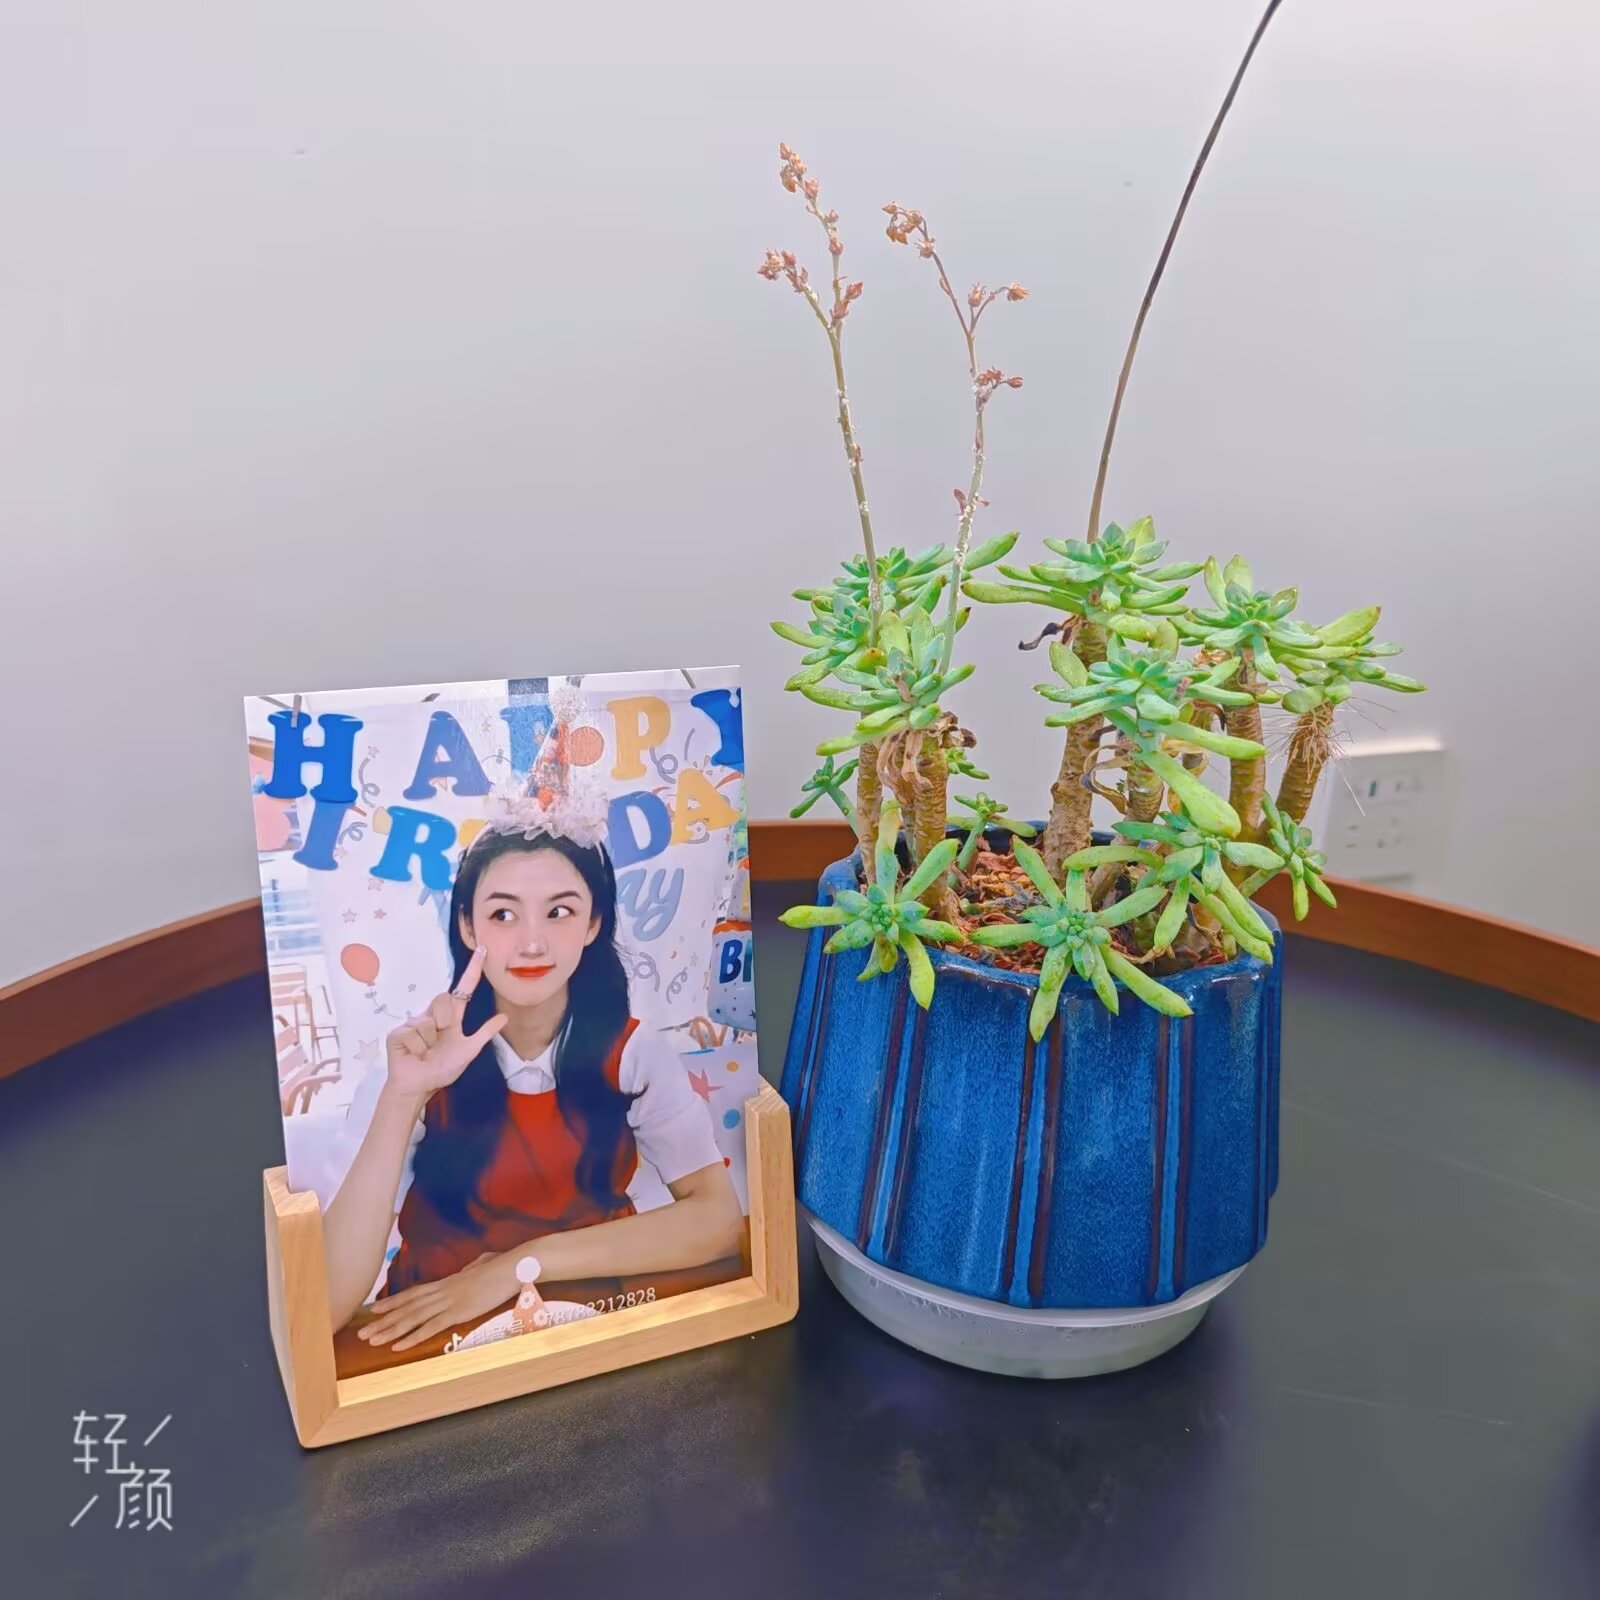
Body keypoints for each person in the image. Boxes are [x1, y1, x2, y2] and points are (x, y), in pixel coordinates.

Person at [321, 823, 744, 1367]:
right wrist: (404, 1096)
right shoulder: (412, 1063)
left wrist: (517, 1266)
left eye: (559, 911)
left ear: (593, 924)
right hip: (439, 1341)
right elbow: (326, 1304)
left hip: (597, 1323)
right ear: (468, 926)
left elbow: (718, 1219)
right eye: (503, 914)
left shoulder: (635, 1052)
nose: (532, 943)